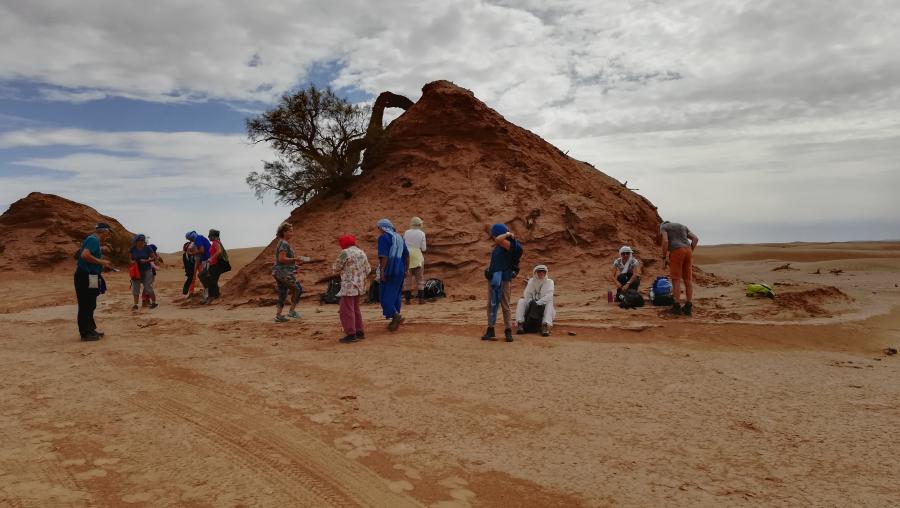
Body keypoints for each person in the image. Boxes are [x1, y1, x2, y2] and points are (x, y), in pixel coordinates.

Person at [482, 223, 523, 342]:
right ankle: (491, 329)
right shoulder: (500, 246)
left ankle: (508, 330)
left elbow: (498, 239)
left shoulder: (509, 244)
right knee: (491, 304)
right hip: (494, 278)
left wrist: (507, 234)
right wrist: (489, 271)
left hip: (504, 278)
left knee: (505, 305)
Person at [74, 223, 113, 341]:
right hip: (85, 275)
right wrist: (102, 262)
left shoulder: (93, 240)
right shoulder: (93, 240)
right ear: (105, 231)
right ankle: (85, 333)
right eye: (109, 233)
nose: (108, 236)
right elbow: (85, 255)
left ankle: (90, 329)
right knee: (86, 304)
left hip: (92, 276)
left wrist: (101, 264)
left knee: (91, 303)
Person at [332, 234, 371, 343]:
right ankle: (359, 331)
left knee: (346, 310)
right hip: (360, 284)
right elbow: (368, 269)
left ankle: (351, 333)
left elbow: (336, 267)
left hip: (349, 284)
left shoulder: (345, 253)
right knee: (355, 308)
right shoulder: (361, 252)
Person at [659, 220, 699, 316]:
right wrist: (689, 251)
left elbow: (665, 241)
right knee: (688, 280)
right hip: (688, 250)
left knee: (676, 279)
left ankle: (676, 306)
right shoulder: (683, 226)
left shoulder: (664, 227)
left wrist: (664, 257)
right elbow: (695, 239)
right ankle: (688, 307)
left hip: (676, 250)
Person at [376, 219, 409, 331]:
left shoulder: (383, 238)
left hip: (390, 268)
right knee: (396, 293)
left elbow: (384, 256)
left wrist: (382, 271)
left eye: (378, 227)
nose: (378, 230)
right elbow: (406, 255)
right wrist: (406, 270)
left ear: (383, 227)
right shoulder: (399, 237)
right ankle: (395, 318)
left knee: (384, 295)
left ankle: (395, 315)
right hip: (400, 267)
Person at [272, 222, 303, 322]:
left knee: (283, 293)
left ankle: (278, 315)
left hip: (279, 272)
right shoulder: (284, 243)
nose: (292, 233)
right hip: (283, 273)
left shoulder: (282, 242)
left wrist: (294, 265)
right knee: (297, 289)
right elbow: (282, 259)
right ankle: (291, 311)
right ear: (284, 232)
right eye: (290, 231)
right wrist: (295, 259)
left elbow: (282, 261)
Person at [515, 264, 555, 337]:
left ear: (546, 273)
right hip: (532, 304)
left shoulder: (550, 282)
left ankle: (545, 325)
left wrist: (538, 302)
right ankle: (520, 324)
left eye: (543, 272)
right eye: (539, 271)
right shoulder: (531, 281)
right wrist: (532, 301)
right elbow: (527, 294)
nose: (541, 273)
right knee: (521, 301)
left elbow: (549, 295)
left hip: (543, 304)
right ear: (535, 273)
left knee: (549, 302)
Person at [129, 234, 158, 311]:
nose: (142, 242)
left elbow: (154, 258)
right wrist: (133, 262)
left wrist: (146, 260)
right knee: (136, 287)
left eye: (143, 240)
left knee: (147, 287)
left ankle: (154, 302)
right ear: (136, 241)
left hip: (147, 269)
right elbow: (130, 259)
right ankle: (135, 305)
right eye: (140, 240)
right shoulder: (133, 249)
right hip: (136, 270)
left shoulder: (147, 248)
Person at [402, 216, 427, 304]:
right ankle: (421, 299)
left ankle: (407, 300)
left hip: (407, 256)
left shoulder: (406, 232)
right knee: (420, 278)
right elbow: (423, 248)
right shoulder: (422, 233)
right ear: (420, 224)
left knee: (407, 279)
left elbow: (403, 244)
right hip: (418, 257)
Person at [200, 229, 228, 304]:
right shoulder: (215, 243)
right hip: (212, 265)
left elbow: (219, 251)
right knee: (208, 278)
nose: (208, 237)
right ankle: (212, 297)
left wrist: (211, 258)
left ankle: (212, 297)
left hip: (216, 265)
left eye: (210, 236)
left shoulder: (216, 242)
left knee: (210, 280)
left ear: (213, 236)